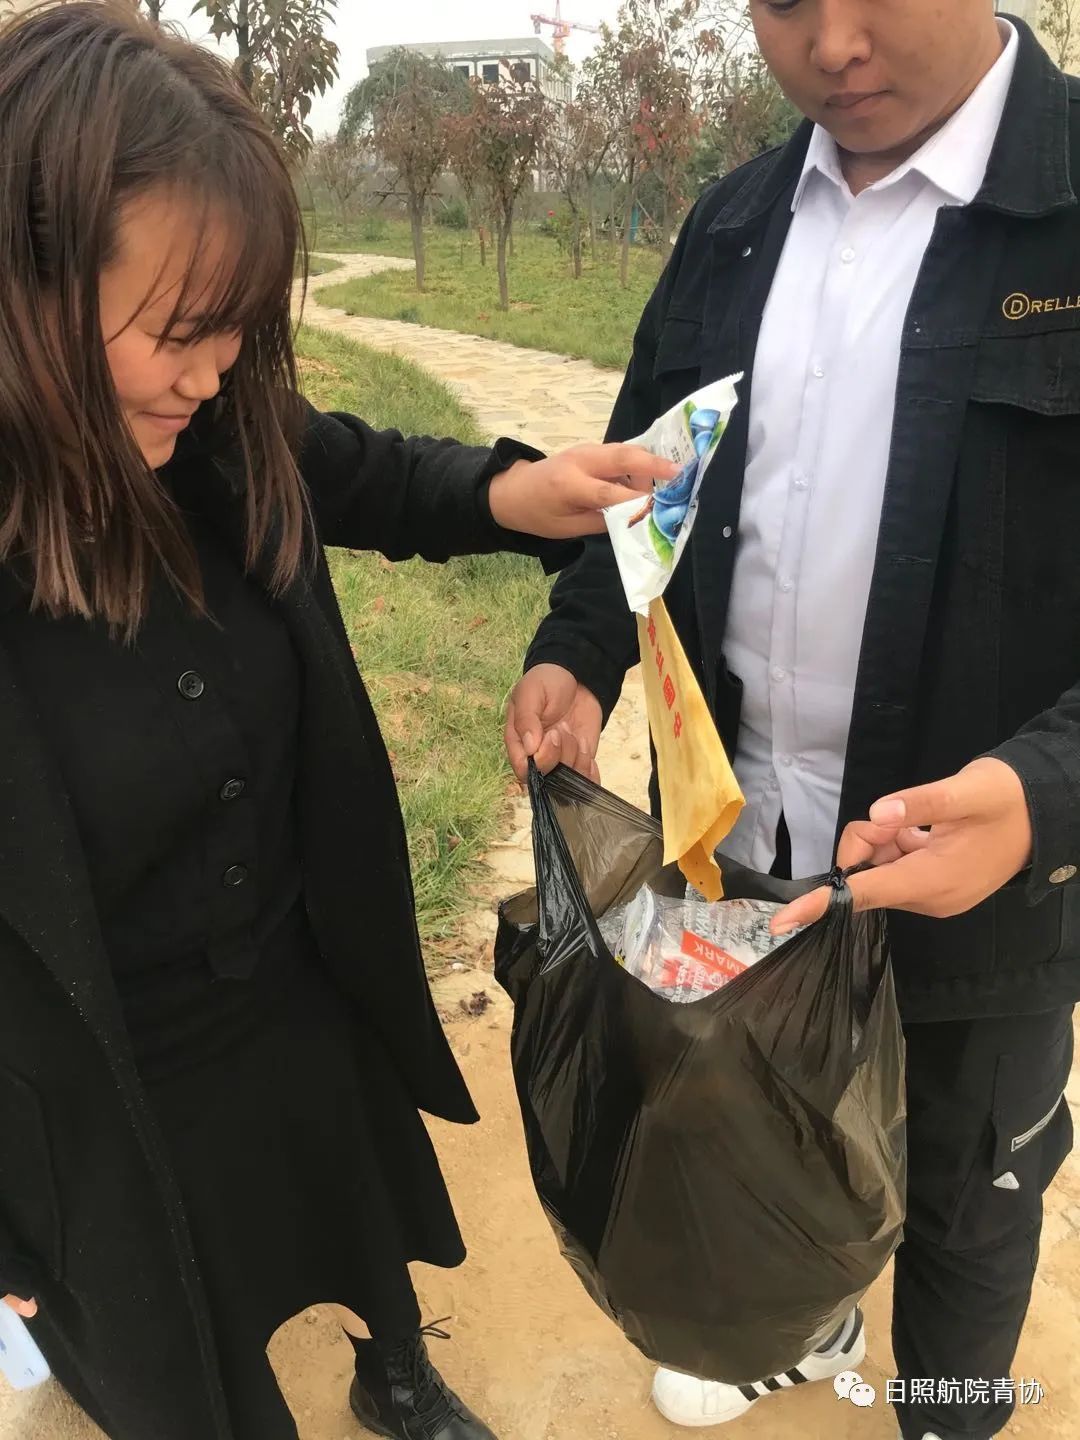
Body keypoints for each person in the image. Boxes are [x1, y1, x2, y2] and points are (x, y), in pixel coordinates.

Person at [0, 7, 677, 1440]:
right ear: (27, 283)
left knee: (350, 1209)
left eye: (239, 329)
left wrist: (517, 494)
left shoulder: (217, 421)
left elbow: (363, 471)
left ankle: (398, 1370)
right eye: (179, 332)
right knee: (186, 1347)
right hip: (100, 1072)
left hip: (291, 976)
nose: (215, 373)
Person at [506, 4, 1079, 1439]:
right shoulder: (733, 225)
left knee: (965, 1194)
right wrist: (580, 650)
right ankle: (804, 1321)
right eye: (780, 0)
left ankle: (947, 1411)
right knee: (766, 1125)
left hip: (978, 893)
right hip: (740, 851)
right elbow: (645, 486)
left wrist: (1048, 791)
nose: (830, 44)